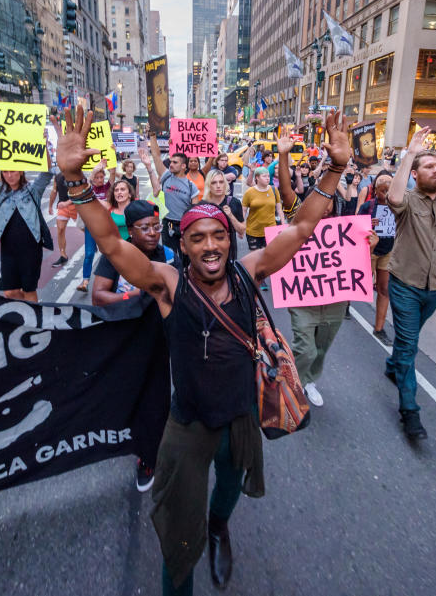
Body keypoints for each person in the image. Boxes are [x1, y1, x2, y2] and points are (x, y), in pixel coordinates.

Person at [52, 105, 352, 596]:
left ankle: (219, 527)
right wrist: (75, 180)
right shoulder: (167, 285)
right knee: (178, 534)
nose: (210, 245)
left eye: (218, 236)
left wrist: (336, 169)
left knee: (230, 488)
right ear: (184, 245)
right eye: (197, 238)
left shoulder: (248, 271)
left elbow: (300, 231)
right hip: (187, 422)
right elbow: (108, 241)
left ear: (229, 242)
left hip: (241, 416)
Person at [383, 126, 436, 440]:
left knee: (409, 341)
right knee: (409, 345)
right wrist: (410, 153)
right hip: (405, 283)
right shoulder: (407, 199)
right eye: (430, 166)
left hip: (434, 288)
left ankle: (393, 366)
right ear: (416, 174)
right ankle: (410, 412)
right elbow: (393, 196)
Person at [90, 198, 181, 493]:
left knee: (157, 399)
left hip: (161, 339)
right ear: (130, 231)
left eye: (157, 226)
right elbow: (99, 296)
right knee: (130, 394)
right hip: (126, 339)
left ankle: (148, 456)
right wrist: (137, 297)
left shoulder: (169, 254)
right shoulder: (116, 256)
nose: (154, 232)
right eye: (145, 228)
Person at [288, 187, 353, 407]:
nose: (325, 208)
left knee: (322, 345)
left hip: (333, 301)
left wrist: (368, 246)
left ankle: (309, 381)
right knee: (305, 347)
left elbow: (353, 261)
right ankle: (292, 383)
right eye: (319, 201)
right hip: (303, 299)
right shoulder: (296, 228)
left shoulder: (345, 230)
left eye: (329, 202)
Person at [0, 165, 54, 302]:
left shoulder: (33, 190)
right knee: (10, 292)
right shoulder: (0, 190)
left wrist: (44, 146)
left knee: (29, 290)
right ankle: (28, 307)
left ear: (20, 171)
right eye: (5, 172)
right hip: (8, 249)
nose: (9, 175)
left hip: (31, 248)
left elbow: (47, 173)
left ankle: (32, 317)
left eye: (12, 170)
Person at [358, 172, 395, 343]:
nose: (386, 195)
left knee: (384, 289)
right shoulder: (368, 207)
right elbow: (355, 228)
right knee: (359, 284)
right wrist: (367, 224)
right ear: (376, 191)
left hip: (387, 251)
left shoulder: (398, 207)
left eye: (390, 190)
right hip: (369, 250)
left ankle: (379, 328)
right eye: (383, 191)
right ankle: (346, 305)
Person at [153, 135, 200, 258]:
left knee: (186, 258)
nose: (171, 164)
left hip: (185, 226)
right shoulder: (166, 176)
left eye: (175, 162)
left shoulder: (191, 187)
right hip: (168, 225)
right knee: (169, 258)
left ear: (184, 166)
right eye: (171, 162)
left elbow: (194, 211)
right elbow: (156, 157)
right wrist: (152, 136)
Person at [241, 167, 281, 290]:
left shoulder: (274, 190)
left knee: (267, 256)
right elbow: (244, 209)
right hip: (253, 230)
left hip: (270, 229)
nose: (267, 178)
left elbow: (279, 208)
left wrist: (283, 225)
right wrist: (241, 225)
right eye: (264, 176)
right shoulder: (250, 192)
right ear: (257, 178)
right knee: (255, 256)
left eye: (268, 176)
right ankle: (260, 279)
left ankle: (263, 276)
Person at [77, 163, 111, 292]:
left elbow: (112, 174)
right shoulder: (89, 189)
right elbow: (87, 182)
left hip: (105, 226)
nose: (99, 180)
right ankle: (85, 281)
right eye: (97, 178)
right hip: (91, 225)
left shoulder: (107, 187)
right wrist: (96, 169)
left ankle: (113, 279)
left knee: (109, 253)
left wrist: (111, 155)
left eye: (101, 177)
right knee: (89, 253)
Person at [203, 169, 245, 261]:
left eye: (221, 182)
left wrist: (230, 215)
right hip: (209, 249)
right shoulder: (203, 205)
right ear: (208, 185)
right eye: (214, 182)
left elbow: (241, 230)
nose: (218, 186)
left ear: (225, 184)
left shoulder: (234, 202)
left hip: (229, 251)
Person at [49, 170, 77, 268]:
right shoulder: (57, 176)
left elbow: (80, 192)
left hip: (76, 206)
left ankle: (96, 245)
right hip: (62, 206)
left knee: (86, 229)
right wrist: (50, 206)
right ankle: (63, 255)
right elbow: (54, 191)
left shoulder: (75, 174)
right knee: (60, 229)